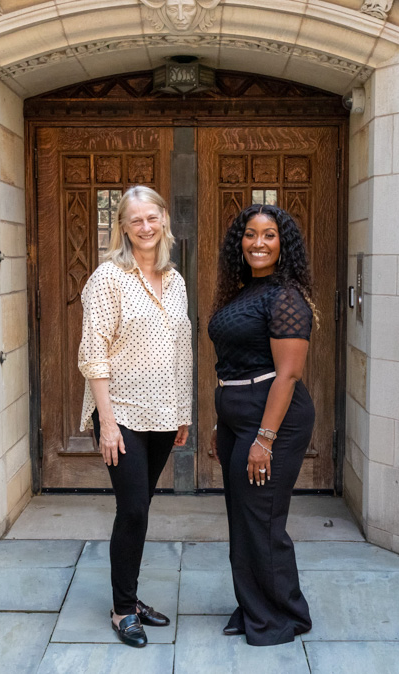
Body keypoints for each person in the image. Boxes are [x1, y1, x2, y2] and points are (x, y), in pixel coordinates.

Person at [77, 186, 192, 648]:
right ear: (122, 227)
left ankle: (130, 595)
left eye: (152, 217)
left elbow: (180, 352)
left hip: (165, 413)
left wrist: (183, 412)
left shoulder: (176, 279)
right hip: (121, 413)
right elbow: (93, 352)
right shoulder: (109, 278)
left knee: (140, 511)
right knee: (134, 510)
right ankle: (123, 609)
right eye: (135, 220)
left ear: (164, 219)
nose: (145, 227)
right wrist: (106, 422)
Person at [207, 204, 317, 646]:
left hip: (273, 417)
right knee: (243, 519)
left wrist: (264, 439)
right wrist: (223, 423)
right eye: (250, 234)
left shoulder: (284, 297)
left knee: (263, 520)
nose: (257, 242)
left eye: (269, 235)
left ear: (282, 244)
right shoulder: (241, 294)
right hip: (237, 413)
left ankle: (281, 619)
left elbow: (287, 375)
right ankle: (255, 605)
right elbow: (232, 362)